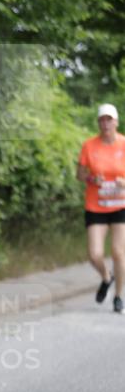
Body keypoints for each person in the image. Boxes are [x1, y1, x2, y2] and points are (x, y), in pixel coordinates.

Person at [76, 103, 125, 313]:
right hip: (96, 205)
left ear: (116, 122)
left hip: (120, 204)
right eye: (102, 120)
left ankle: (118, 296)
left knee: (118, 252)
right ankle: (107, 277)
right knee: (95, 254)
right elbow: (79, 175)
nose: (105, 123)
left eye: (109, 119)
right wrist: (90, 178)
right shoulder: (89, 146)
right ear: (98, 123)